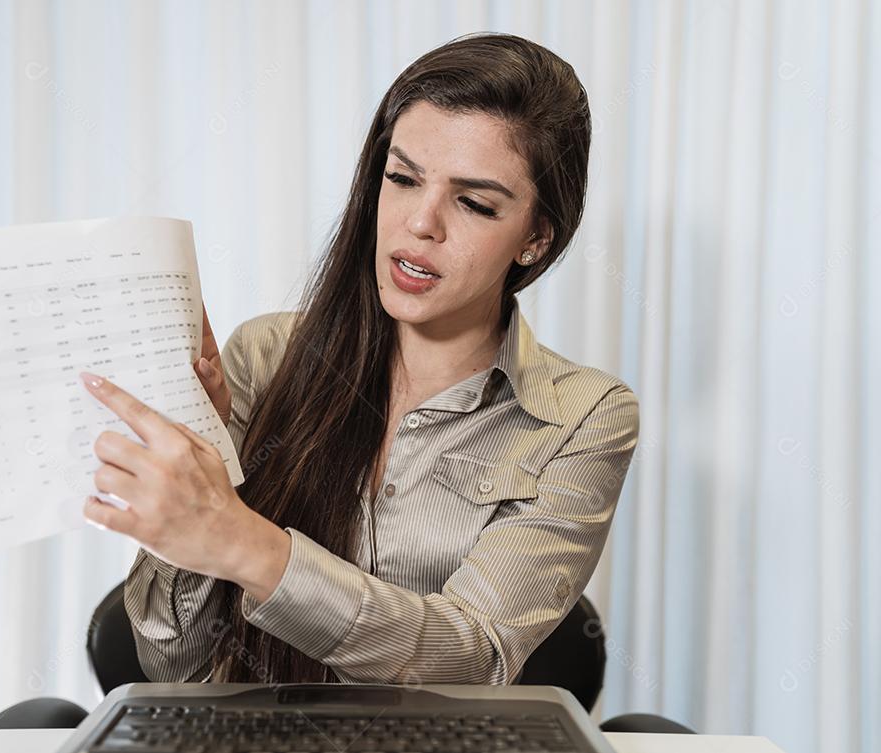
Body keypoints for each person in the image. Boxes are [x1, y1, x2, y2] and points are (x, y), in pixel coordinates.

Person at [80, 31, 640, 686]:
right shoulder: (265, 358)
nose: (421, 222)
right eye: (402, 178)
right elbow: (174, 667)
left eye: (474, 202)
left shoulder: (584, 417)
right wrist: (203, 460)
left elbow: (474, 656)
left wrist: (245, 543)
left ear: (536, 238)